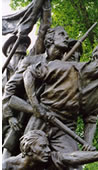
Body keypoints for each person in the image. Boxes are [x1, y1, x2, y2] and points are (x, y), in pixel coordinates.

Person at [2, 26, 83, 162]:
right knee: (16, 153)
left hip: (56, 119)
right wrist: (10, 116)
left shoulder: (66, 67)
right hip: (29, 115)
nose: (66, 37)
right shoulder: (31, 61)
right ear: (50, 39)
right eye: (62, 34)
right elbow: (10, 88)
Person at [2, 130, 98, 170]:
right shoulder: (6, 166)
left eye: (48, 146)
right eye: (43, 147)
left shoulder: (48, 158)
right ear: (28, 150)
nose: (48, 150)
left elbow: (72, 157)